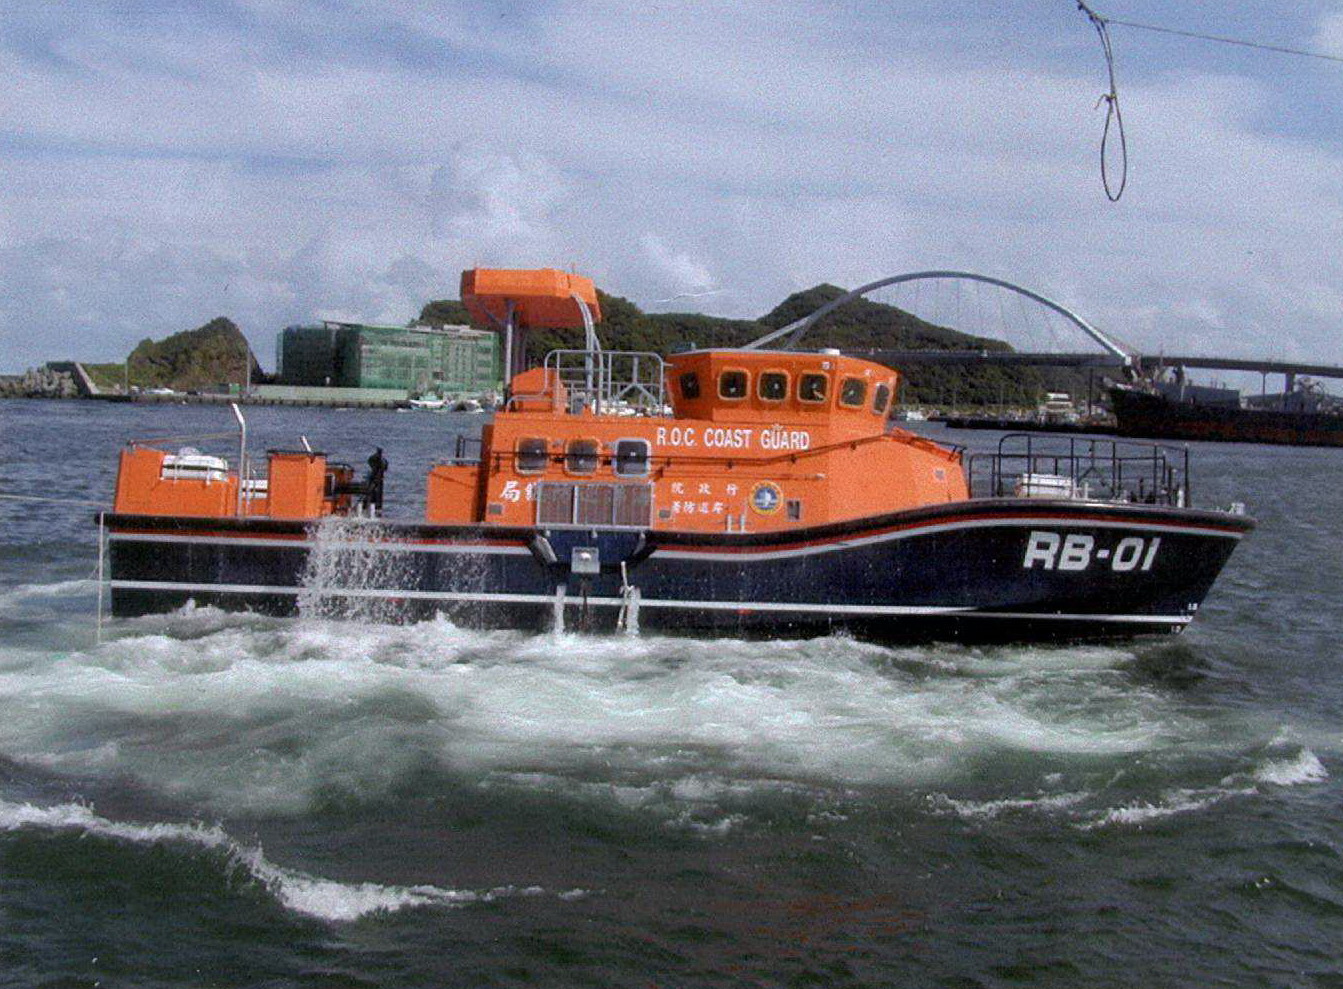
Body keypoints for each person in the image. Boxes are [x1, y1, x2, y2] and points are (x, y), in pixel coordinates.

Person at [365, 447, 388, 514]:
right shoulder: (374, 458)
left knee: (377, 493)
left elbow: (385, 467)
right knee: (372, 492)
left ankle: (376, 508)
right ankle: (371, 506)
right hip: (374, 477)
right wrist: (374, 468)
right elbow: (370, 462)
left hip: (378, 478)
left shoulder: (383, 460)